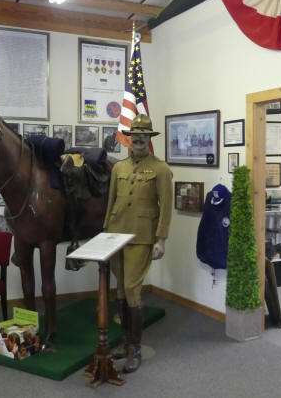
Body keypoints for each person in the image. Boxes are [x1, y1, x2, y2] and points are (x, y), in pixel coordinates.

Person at [103, 114, 172, 373]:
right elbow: (111, 203)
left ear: (149, 139)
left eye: (144, 135)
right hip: (116, 235)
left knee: (132, 288)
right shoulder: (119, 168)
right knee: (120, 289)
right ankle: (123, 342)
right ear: (129, 139)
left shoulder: (161, 169)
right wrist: (105, 231)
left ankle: (135, 349)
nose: (139, 138)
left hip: (142, 237)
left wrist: (161, 239)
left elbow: (165, 207)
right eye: (135, 135)